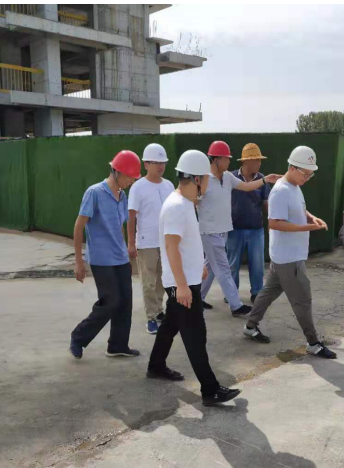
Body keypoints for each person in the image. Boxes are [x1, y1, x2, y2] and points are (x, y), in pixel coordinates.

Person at [147, 150, 242, 406]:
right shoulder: (177, 206)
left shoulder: (185, 202)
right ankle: (210, 390)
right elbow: (171, 247)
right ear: (197, 179)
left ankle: (155, 365)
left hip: (185, 280)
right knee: (195, 335)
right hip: (182, 285)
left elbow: (185, 243)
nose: (209, 183)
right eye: (207, 178)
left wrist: (198, 265)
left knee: (170, 326)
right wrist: (182, 285)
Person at [242, 146, 337, 357]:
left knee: (267, 293)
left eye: (310, 175)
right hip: (289, 258)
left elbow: (298, 208)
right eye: (305, 174)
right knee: (303, 300)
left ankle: (250, 326)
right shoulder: (280, 191)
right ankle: (313, 343)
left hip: (284, 255)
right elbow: (274, 223)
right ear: (292, 168)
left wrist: (311, 217)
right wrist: (307, 227)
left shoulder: (294, 186)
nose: (307, 178)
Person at [69, 150, 141, 360]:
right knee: (111, 301)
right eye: (129, 177)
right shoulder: (94, 193)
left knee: (125, 302)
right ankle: (78, 337)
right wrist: (79, 262)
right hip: (101, 260)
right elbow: (78, 227)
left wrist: (126, 250)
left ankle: (118, 345)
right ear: (117, 172)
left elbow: (119, 226)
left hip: (120, 258)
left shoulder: (122, 195)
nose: (131, 182)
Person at [198, 140, 281, 316]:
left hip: (223, 231)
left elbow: (246, 187)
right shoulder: (204, 179)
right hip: (209, 231)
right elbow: (193, 201)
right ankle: (236, 305)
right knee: (224, 269)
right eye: (226, 158)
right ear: (216, 159)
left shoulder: (228, 177)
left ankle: (197, 298)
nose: (229, 161)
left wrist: (265, 179)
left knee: (211, 267)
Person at [127, 143, 175, 334]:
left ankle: (158, 310)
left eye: (163, 163)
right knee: (148, 282)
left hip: (165, 242)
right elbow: (131, 217)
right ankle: (151, 317)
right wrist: (131, 243)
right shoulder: (138, 187)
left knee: (163, 280)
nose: (160, 166)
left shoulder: (169, 185)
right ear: (146, 164)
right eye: (156, 162)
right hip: (146, 242)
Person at [226, 143, 271, 305]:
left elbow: (266, 203)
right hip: (234, 229)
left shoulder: (262, 179)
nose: (259, 163)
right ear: (246, 161)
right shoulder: (231, 177)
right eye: (256, 160)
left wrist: (272, 221)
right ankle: (231, 294)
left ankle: (257, 293)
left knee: (257, 265)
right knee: (232, 265)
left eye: (259, 160)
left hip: (256, 230)